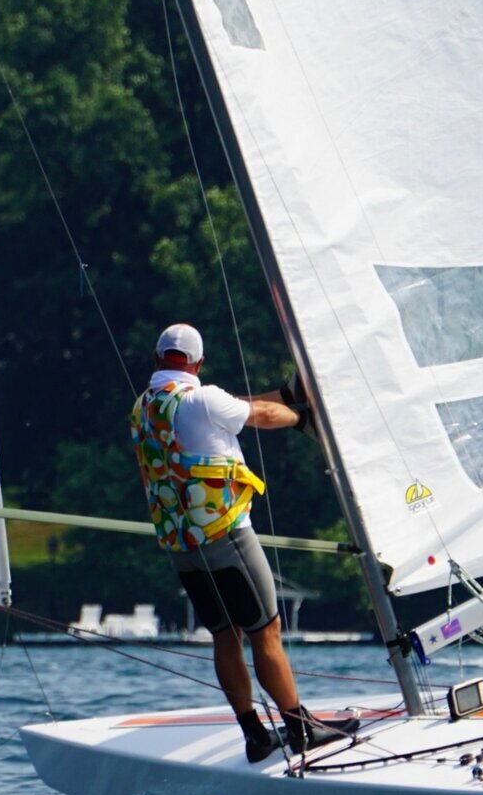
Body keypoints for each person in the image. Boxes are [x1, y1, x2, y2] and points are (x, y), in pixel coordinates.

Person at [131, 323, 356, 762]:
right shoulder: (202, 397)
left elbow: (235, 408)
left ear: (157, 360)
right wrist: (304, 416)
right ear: (198, 363)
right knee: (266, 631)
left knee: (224, 634)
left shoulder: (142, 408)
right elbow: (261, 416)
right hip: (227, 536)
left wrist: (285, 394)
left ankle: (255, 734)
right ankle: (300, 729)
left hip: (182, 546)